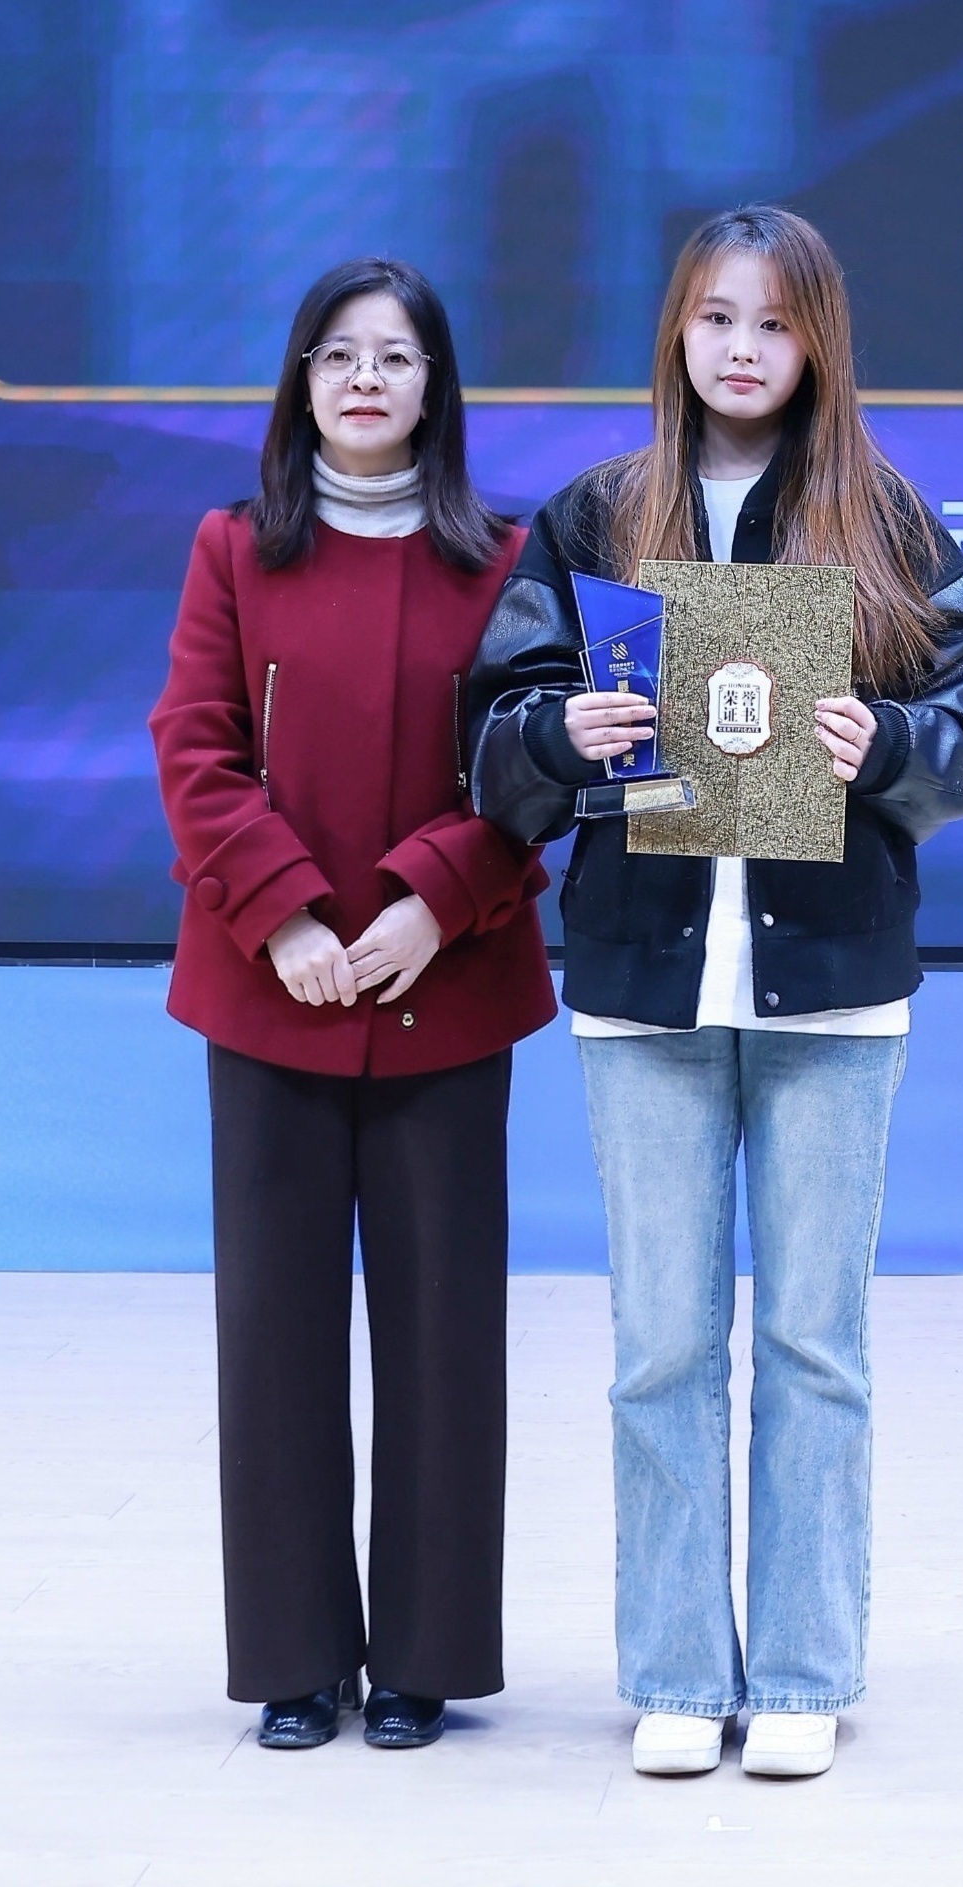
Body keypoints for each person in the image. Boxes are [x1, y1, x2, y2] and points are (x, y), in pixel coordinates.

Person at [469, 206, 963, 1785]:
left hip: (830, 984)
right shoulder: (596, 513)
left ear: (819, 343)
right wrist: (567, 730)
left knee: (813, 1345)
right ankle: (673, 1668)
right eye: (716, 316)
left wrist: (885, 744)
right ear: (676, 332)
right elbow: (494, 730)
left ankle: (799, 1669)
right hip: (643, 981)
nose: (742, 347)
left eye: (775, 322)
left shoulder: (880, 517)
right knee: (659, 1343)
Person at [147, 257, 553, 1754]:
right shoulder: (233, 548)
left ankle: (425, 1657)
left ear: (437, 386)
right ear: (301, 381)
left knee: (446, 1337)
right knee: (275, 1337)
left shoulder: (508, 559)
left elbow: (534, 766)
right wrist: (287, 915)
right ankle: (296, 1658)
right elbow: (195, 746)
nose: (365, 377)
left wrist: (431, 899)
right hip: (275, 995)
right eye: (337, 354)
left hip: (449, 985)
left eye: (395, 355)